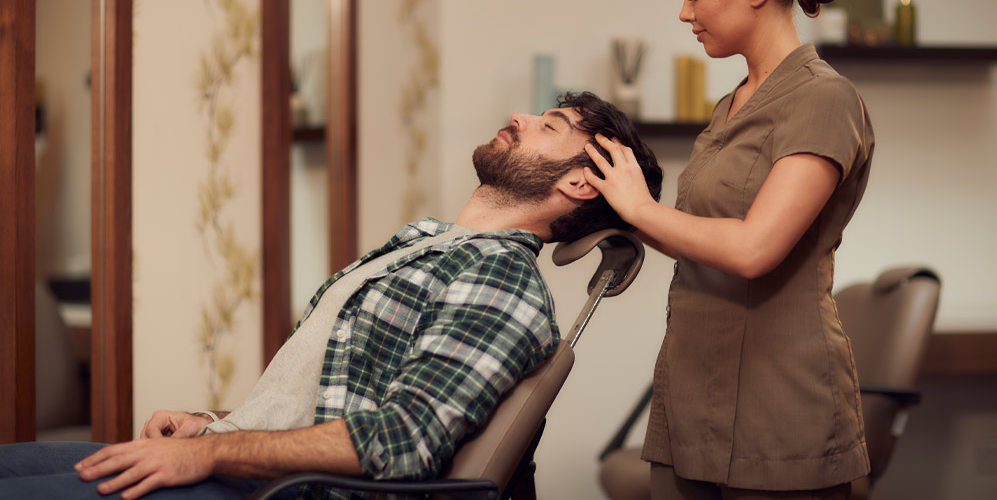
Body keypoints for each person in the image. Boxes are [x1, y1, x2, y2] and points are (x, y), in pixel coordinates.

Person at [0, 92, 662, 500]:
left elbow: (403, 439)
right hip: (244, 466)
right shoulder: (432, 248)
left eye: (549, 125)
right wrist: (212, 424)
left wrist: (208, 453)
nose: (519, 115)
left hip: (279, 492)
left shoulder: (501, 281)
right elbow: (334, 404)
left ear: (579, 184)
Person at [583, 0, 874, 500]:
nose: (684, 12)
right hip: (693, 394)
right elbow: (702, 236)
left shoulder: (824, 99)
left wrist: (641, 210)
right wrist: (615, 209)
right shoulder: (732, 104)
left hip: (781, 405)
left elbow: (752, 249)